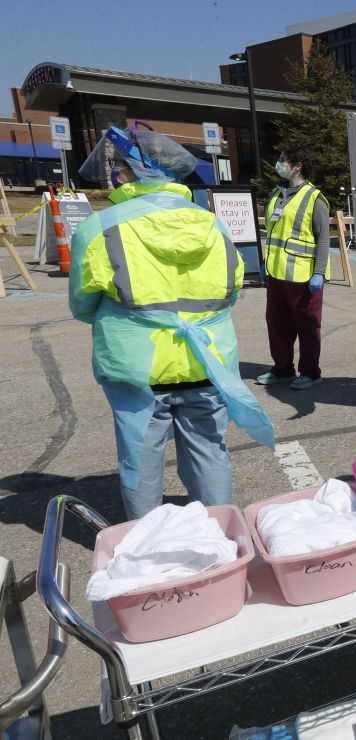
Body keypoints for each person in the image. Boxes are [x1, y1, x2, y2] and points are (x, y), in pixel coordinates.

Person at [70, 124, 274, 519]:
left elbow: (82, 304)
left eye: (120, 168)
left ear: (132, 171)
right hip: (207, 360)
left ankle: (147, 539)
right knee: (209, 452)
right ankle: (218, 531)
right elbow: (230, 290)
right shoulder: (212, 224)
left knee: (141, 459)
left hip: (137, 366)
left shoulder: (100, 227)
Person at [257, 144, 330, 390]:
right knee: (276, 324)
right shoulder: (277, 195)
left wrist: (319, 272)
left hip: (303, 276)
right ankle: (282, 369)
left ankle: (310, 372)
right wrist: (265, 265)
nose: (279, 163)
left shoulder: (314, 198)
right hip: (276, 274)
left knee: (307, 327)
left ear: (297, 166)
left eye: (283, 159)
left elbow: (323, 239)